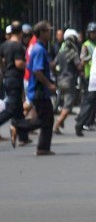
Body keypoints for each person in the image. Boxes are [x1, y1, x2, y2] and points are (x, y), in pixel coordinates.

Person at [0, 21, 41, 147]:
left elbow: (2, 61)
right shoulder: (17, 46)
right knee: (11, 109)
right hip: (15, 79)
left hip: (7, 78)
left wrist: (5, 70)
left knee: (18, 110)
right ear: (21, 33)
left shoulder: (4, 45)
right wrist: (30, 66)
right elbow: (19, 63)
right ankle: (18, 129)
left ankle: (23, 137)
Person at [27, 21, 56, 156]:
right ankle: (18, 127)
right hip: (39, 90)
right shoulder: (38, 49)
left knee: (46, 119)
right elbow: (37, 71)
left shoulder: (40, 48)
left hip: (40, 91)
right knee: (45, 119)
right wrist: (49, 84)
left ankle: (43, 148)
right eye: (48, 31)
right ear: (42, 33)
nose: (50, 33)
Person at [53, 29, 81, 134]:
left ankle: (60, 121)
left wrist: (57, 74)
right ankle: (57, 123)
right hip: (69, 81)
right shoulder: (73, 53)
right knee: (68, 106)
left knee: (63, 102)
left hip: (60, 80)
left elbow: (53, 64)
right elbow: (79, 66)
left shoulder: (61, 52)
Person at [79, 22, 96, 131]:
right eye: (91, 33)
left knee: (95, 100)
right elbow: (82, 59)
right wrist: (91, 57)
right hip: (89, 74)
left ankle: (90, 121)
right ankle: (84, 121)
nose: (93, 35)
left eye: (95, 33)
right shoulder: (86, 45)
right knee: (89, 100)